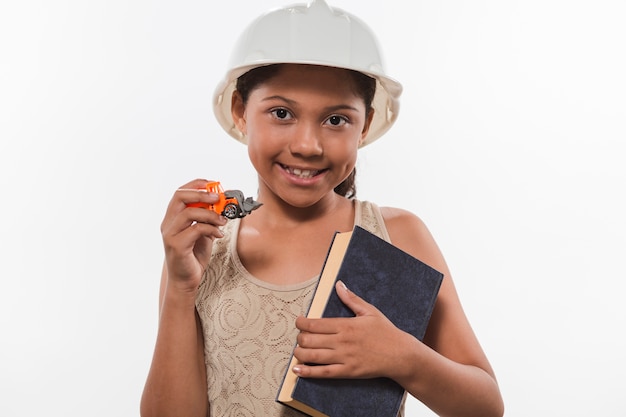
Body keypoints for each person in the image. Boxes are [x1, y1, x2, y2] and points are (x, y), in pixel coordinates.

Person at [140, 1, 504, 416]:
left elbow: (485, 406)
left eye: (336, 120)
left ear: (364, 125)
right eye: (281, 113)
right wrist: (180, 289)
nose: (307, 145)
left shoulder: (397, 237)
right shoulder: (207, 250)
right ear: (241, 111)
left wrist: (405, 357)